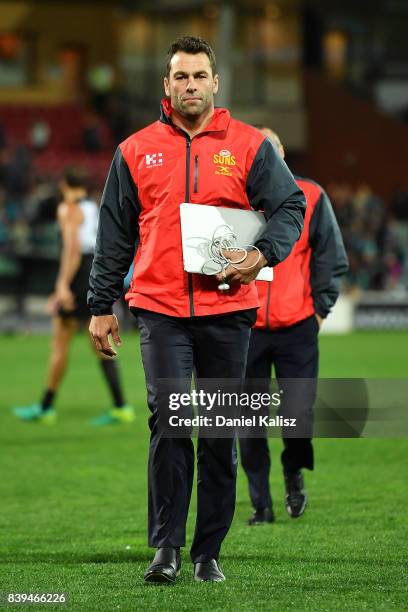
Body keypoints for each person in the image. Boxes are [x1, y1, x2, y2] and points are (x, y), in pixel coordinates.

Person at [87, 36, 305, 583]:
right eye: (180, 77)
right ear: (166, 86)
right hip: (159, 309)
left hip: (228, 310)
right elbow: (113, 233)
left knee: (218, 432)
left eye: (198, 76)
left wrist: (259, 255)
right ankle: (166, 548)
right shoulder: (135, 150)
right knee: (170, 425)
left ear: (215, 82)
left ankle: (208, 551)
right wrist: (100, 303)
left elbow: (289, 205)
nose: (190, 85)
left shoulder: (250, 145)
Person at [239, 128, 348, 525]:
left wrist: (319, 310)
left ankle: (293, 472)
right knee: (247, 422)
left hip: (297, 327)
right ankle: (260, 505)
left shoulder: (312, 195)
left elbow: (330, 257)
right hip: (245, 327)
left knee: (298, 416)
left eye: (274, 150)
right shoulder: (235, 197)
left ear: (283, 153)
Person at [12, 167, 134, 426]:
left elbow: (72, 249)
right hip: (95, 271)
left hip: (78, 275)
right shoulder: (92, 206)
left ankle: (46, 407)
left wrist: (61, 286)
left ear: (64, 184)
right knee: (99, 343)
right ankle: (121, 406)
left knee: (60, 342)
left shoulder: (68, 209)